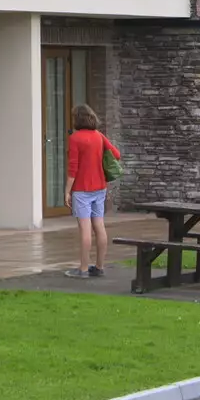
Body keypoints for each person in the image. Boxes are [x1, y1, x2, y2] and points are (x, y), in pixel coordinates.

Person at [63, 104, 120, 279]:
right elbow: (116, 154)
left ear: (77, 119)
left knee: (85, 229)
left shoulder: (75, 138)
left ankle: (83, 269)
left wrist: (67, 191)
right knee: (99, 226)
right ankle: (99, 266)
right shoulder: (99, 136)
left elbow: (73, 168)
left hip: (82, 189)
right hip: (100, 187)